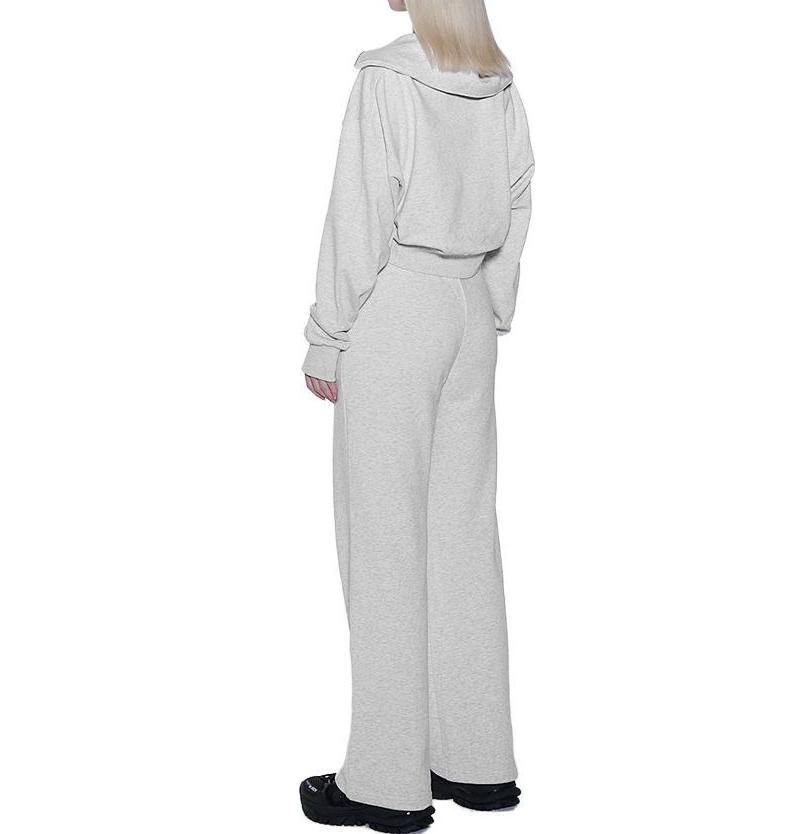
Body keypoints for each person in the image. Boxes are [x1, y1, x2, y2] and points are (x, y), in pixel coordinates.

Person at [300, 1, 534, 830]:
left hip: (397, 307)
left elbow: (358, 212)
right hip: (468, 310)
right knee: (463, 536)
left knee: (384, 545)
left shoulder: (387, 78)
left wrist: (328, 335)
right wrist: (490, 304)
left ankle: (385, 780)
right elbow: (518, 197)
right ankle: (478, 762)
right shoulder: (496, 81)